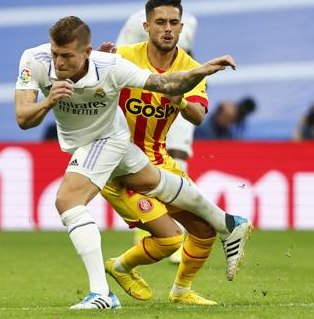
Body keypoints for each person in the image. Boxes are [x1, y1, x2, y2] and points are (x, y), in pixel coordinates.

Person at [14, 15, 251, 310]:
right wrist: (47, 102)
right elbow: (23, 118)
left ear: (87, 53)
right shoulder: (34, 60)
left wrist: (202, 70)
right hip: (98, 142)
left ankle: (101, 294)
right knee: (155, 182)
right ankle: (226, 222)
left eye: (67, 56)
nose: (58, 62)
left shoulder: (110, 67)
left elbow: (164, 82)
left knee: (68, 201)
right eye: (55, 54)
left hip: (107, 139)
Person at [99, 0, 231, 306]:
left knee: (204, 230)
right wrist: (100, 66)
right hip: (119, 167)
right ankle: (119, 266)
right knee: (170, 238)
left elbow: (198, 115)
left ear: (182, 27)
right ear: (146, 26)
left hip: (160, 162)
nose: (167, 28)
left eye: (173, 22)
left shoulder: (192, 69)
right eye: (160, 22)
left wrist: (180, 100)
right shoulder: (123, 57)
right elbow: (90, 86)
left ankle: (181, 292)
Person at [117, 0, 199, 262]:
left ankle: (174, 227)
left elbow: (186, 58)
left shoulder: (189, 21)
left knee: (177, 155)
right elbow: (119, 59)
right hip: (145, 100)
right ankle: (147, 228)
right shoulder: (135, 21)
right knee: (142, 163)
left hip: (175, 102)